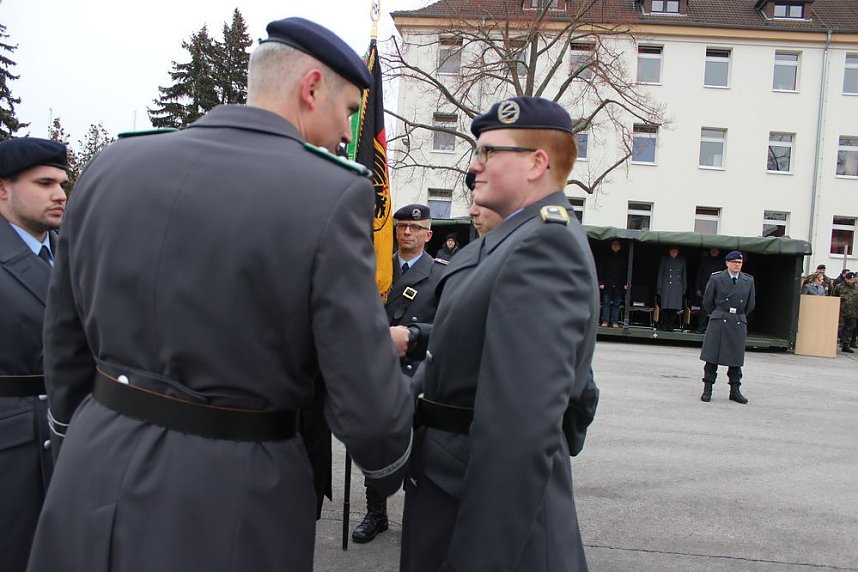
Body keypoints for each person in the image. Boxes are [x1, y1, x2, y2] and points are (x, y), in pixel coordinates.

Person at [27, 18, 414, 572]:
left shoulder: (113, 164)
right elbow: (364, 392)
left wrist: (77, 436)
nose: (346, 133)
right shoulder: (330, 191)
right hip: (233, 489)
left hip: (93, 463)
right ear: (311, 88)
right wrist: (389, 461)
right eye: (350, 110)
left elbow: (64, 340)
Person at [400, 96, 598, 571]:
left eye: (489, 152)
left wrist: (478, 560)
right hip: (451, 484)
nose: (474, 166)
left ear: (537, 163)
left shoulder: (544, 245)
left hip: (487, 518)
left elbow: (519, 431)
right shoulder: (513, 239)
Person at [352, 203, 445, 544]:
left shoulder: (441, 275)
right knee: (377, 443)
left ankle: (417, 518)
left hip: (418, 374)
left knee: (420, 452)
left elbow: (446, 326)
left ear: (428, 234)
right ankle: (376, 514)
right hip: (379, 373)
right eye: (402, 226)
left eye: (415, 228)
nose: (407, 232)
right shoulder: (378, 269)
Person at [0, 137, 68, 572]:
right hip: (11, 447)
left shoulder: (73, 250)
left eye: (62, 183)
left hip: (69, 434)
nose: (60, 194)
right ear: (2, 188)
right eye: (44, 184)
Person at [699, 250, 756, 404]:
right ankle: (707, 388)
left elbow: (750, 304)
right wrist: (718, 314)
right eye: (734, 262)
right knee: (712, 358)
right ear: (727, 263)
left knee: (735, 360)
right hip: (720, 320)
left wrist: (738, 315)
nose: (737, 265)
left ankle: (735, 391)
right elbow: (708, 301)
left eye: (739, 262)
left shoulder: (748, 280)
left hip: (737, 320)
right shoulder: (717, 278)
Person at [598, 239, 628, 328]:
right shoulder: (606, 256)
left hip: (619, 284)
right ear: (611, 245)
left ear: (620, 246)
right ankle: (605, 321)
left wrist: (626, 283)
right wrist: (601, 282)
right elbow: (601, 269)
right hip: (607, 283)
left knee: (616, 303)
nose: (615, 246)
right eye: (614, 244)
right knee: (606, 303)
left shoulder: (624, 257)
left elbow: (626, 271)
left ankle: (614, 322)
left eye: (617, 244)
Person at [656, 245, 687, 331]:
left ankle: (671, 326)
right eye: (672, 251)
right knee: (665, 308)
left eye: (675, 251)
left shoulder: (682, 260)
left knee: (674, 308)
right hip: (666, 286)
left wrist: (684, 287)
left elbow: (684, 274)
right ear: (669, 251)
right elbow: (660, 274)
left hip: (677, 287)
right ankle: (664, 325)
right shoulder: (664, 260)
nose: (674, 252)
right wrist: (659, 287)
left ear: (678, 252)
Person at [694, 247, 722, 332]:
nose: (714, 252)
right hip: (705, 289)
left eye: (715, 250)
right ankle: (701, 328)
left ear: (718, 251)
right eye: (712, 250)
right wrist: (698, 288)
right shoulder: (704, 261)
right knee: (703, 309)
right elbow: (699, 275)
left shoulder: (721, 262)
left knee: (716, 310)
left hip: (717, 289)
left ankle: (712, 329)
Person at [834, 272, 858, 353]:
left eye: (852, 279)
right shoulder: (839, 287)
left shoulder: (856, 287)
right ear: (846, 279)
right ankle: (833, 344)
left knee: (850, 329)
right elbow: (834, 298)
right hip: (841, 312)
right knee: (840, 328)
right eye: (849, 280)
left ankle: (846, 345)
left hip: (853, 312)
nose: (851, 281)